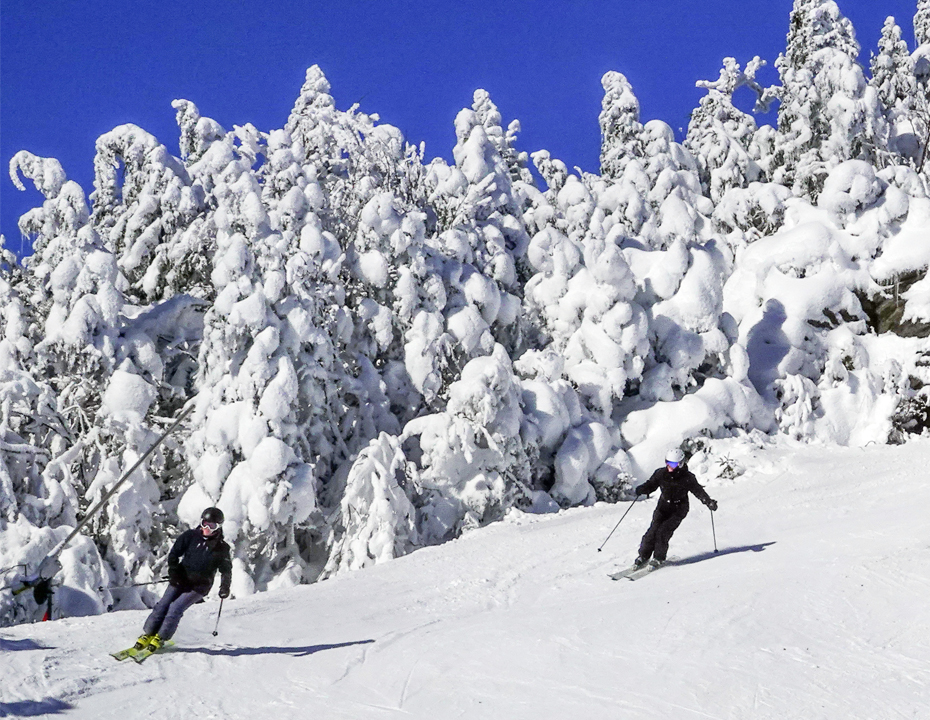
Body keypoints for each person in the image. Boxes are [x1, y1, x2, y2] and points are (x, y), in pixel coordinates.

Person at [134, 507, 232, 652]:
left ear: (218, 527)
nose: (207, 528)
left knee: (175, 608)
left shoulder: (222, 548)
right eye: (205, 523)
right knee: (162, 605)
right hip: (181, 579)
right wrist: (174, 571)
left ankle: (161, 637)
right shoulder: (190, 536)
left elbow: (226, 570)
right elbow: (174, 554)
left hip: (199, 586)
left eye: (212, 526)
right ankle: (148, 633)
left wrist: (225, 587)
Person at [632, 448, 718, 569]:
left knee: (663, 532)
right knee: (652, 531)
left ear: (681, 463)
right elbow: (651, 484)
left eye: (673, 464)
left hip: (679, 509)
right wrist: (642, 489)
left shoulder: (687, 478)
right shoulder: (661, 473)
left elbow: (698, 491)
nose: (669, 466)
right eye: (667, 462)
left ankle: (658, 558)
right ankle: (643, 556)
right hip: (663, 506)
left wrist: (708, 502)